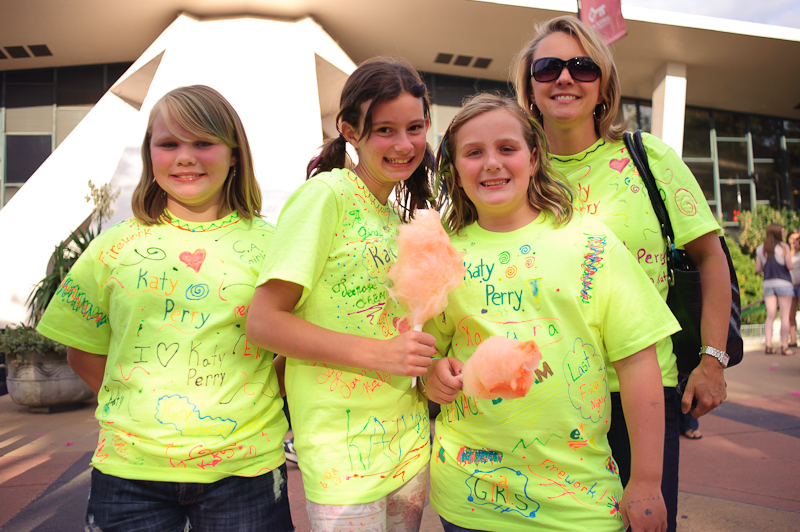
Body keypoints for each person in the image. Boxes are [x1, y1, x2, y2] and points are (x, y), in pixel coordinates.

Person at [36, 85, 294, 532]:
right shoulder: (113, 246)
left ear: (234, 155)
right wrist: (140, 408)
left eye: (204, 142)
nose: (185, 157)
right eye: (169, 143)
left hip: (245, 469)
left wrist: (258, 395)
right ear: (150, 155)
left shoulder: (275, 247)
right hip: (129, 471)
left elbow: (298, 343)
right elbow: (82, 351)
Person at [512, 15, 732, 532]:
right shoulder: (515, 169)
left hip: (641, 395)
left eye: (582, 66)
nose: (565, 78)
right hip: (544, 395)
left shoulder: (647, 157)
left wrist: (713, 361)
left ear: (603, 83)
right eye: (548, 68)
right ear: (530, 88)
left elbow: (710, 257)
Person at [425, 93, 677, 532]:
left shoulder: (590, 242)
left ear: (534, 157)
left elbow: (638, 363)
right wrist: (432, 375)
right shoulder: (440, 255)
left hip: (579, 500)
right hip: (469, 495)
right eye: (473, 152)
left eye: (507, 148)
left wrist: (647, 481)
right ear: (456, 173)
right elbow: (426, 354)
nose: (491, 163)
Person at [246, 58, 436, 531]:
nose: (404, 144)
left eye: (414, 128)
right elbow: (264, 322)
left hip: (408, 444)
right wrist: (381, 354)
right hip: (342, 456)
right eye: (385, 130)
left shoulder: (395, 218)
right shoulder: (325, 196)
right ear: (350, 131)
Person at [756, 223, 794, 355]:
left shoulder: (761, 249)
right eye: (782, 232)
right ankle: (784, 346)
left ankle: (768, 345)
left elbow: (758, 269)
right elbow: (789, 265)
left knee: (770, 315)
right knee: (784, 315)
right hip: (784, 283)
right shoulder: (784, 247)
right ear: (777, 233)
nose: (783, 234)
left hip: (768, 283)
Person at [786, 229, 800, 347]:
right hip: (790, 286)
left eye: (797, 239)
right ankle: (793, 340)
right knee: (791, 314)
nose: (795, 241)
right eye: (793, 238)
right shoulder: (785, 252)